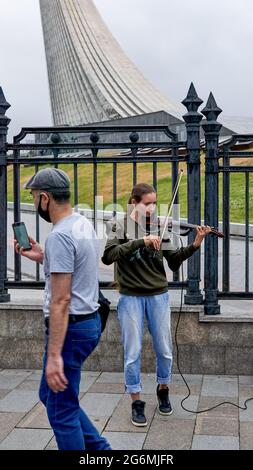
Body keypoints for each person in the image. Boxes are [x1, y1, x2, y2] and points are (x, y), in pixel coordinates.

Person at [15, 168, 111, 451]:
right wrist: (43, 256)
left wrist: (54, 355)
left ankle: (100, 450)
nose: (34, 202)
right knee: (52, 395)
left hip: (71, 328)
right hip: (89, 322)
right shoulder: (80, 222)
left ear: (45, 198)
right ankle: (100, 449)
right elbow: (77, 266)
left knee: (61, 408)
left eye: (34, 196)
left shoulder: (60, 236)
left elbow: (61, 300)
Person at [102, 182, 210, 427]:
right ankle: (136, 401)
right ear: (133, 202)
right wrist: (142, 242)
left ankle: (163, 388)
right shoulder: (118, 225)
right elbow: (108, 256)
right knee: (132, 352)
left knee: (164, 348)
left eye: (153, 203)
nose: (152, 208)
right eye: (146, 203)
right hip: (130, 297)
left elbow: (173, 261)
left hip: (158, 295)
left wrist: (195, 244)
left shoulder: (162, 226)